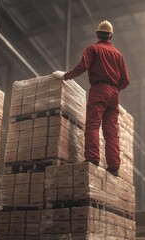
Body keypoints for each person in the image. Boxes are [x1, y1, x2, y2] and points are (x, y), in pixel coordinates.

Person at [53, 20, 130, 177]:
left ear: (97, 34)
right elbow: (125, 81)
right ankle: (114, 167)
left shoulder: (93, 49)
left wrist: (65, 76)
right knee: (110, 132)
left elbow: (82, 67)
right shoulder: (119, 56)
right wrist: (114, 89)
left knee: (93, 125)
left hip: (99, 90)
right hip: (114, 94)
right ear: (111, 36)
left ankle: (92, 159)